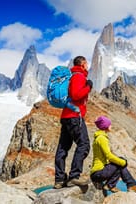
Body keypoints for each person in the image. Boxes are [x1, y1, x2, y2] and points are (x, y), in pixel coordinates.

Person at [54, 56, 93, 189]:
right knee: (84, 144)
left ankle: (59, 180)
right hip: (74, 116)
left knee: (63, 148)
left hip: (66, 116)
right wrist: (88, 87)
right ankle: (74, 176)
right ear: (82, 64)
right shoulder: (79, 76)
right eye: (86, 63)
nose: (87, 65)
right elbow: (76, 95)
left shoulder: (72, 76)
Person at [90, 115, 136, 194]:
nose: (111, 126)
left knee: (120, 161)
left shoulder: (99, 137)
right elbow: (109, 156)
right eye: (109, 124)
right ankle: (126, 185)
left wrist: (121, 161)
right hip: (98, 173)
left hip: (98, 172)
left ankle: (126, 185)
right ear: (106, 126)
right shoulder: (102, 138)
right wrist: (123, 162)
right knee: (120, 163)